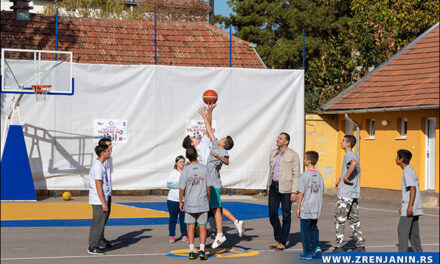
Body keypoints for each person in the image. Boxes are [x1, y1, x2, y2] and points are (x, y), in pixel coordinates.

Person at [199, 107, 244, 249]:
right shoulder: (214, 144)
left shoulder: (222, 151)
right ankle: (235, 222)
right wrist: (206, 116)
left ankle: (220, 234)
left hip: (214, 184)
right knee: (215, 208)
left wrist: (218, 156)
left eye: (224, 138)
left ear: (225, 144)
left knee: (215, 209)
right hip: (209, 183)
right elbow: (209, 130)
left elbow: (227, 162)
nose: (221, 138)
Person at [267, 132, 300, 251]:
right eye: (278, 137)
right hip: (274, 187)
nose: (278, 139)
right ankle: (278, 237)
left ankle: (282, 241)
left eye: (280, 138)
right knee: (272, 214)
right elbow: (271, 170)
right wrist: (268, 184)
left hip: (287, 189)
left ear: (286, 142)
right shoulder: (273, 153)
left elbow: (296, 175)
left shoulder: (293, 155)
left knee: (286, 216)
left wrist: (294, 191)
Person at [333, 135, 366, 252]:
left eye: (343, 141)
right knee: (353, 219)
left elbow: (353, 163)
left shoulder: (349, 155)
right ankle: (360, 244)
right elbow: (352, 167)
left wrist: (345, 177)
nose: (341, 142)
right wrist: (341, 177)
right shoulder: (353, 154)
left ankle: (339, 246)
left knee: (340, 219)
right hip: (353, 194)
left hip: (346, 194)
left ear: (348, 144)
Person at [179, 147, 211, 260]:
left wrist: (180, 201)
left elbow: (182, 188)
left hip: (190, 203)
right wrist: (208, 198)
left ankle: (192, 251)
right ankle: (202, 250)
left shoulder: (185, 170)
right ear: (197, 155)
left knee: (190, 227)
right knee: (203, 227)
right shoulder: (204, 168)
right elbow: (208, 187)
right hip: (202, 202)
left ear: (187, 157)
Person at [296, 151, 324, 260]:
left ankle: (307, 252)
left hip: (306, 207)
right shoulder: (320, 175)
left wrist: (298, 207)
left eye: (305, 159)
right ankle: (317, 247)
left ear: (308, 161)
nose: (304, 160)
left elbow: (301, 193)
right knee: (314, 228)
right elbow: (321, 190)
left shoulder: (304, 175)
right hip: (316, 207)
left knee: (305, 231)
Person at [395, 149, 423, 252]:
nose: (395, 159)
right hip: (412, 207)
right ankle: (420, 256)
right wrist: (403, 206)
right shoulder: (410, 170)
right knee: (413, 234)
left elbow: (413, 189)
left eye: (397, 157)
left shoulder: (407, 171)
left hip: (410, 208)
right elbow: (409, 191)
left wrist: (409, 206)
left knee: (402, 232)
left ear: (401, 159)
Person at [88, 143, 112, 255]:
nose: (110, 152)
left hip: (99, 199)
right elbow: (98, 186)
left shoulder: (101, 165)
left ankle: (95, 244)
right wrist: (103, 203)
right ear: (103, 153)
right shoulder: (98, 167)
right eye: (108, 150)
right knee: (97, 224)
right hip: (98, 200)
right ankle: (93, 246)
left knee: (98, 223)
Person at [167, 155, 188, 243]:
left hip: (184, 200)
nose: (182, 163)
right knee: (173, 218)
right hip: (172, 200)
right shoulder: (173, 173)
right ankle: (172, 236)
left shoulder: (186, 173)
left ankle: (184, 235)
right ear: (176, 163)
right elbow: (169, 185)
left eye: (183, 162)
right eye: (180, 162)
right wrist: (180, 186)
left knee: (183, 219)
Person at [97, 137, 113, 250]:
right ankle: (97, 239)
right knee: (100, 219)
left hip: (108, 193)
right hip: (102, 194)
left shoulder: (107, 160)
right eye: (109, 146)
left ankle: (101, 237)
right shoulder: (100, 162)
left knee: (105, 218)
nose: (111, 148)